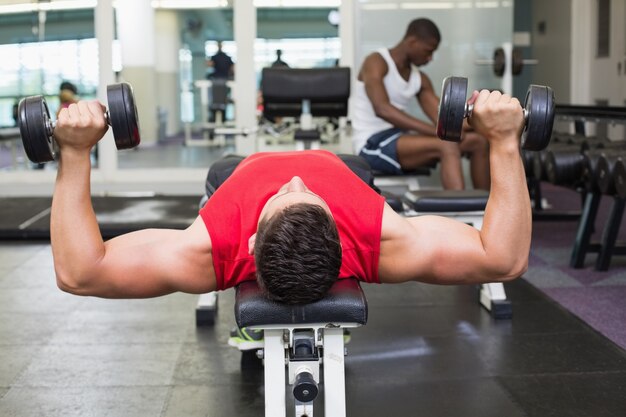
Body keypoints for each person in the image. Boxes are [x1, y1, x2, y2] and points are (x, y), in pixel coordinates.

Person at [50, 88, 528, 309]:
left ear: (252, 241)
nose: (296, 180)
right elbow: (502, 260)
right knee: (360, 173)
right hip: (350, 173)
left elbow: (80, 273)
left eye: (288, 195)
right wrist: (504, 140)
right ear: (343, 237)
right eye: (306, 196)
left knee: (220, 173)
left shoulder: (206, 249)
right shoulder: (382, 238)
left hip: (234, 175)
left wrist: (74, 151)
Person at [352, 18, 490, 191]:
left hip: (397, 138)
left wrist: (483, 119)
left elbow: (445, 119)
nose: (430, 58)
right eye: (428, 51)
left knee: (478, 142)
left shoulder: (420, 79)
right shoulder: (376, 61)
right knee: (447, 144)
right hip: (371, 144)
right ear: (412, 42)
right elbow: (383, 109)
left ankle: (484, 209)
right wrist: (436, 132)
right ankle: (458, 212)